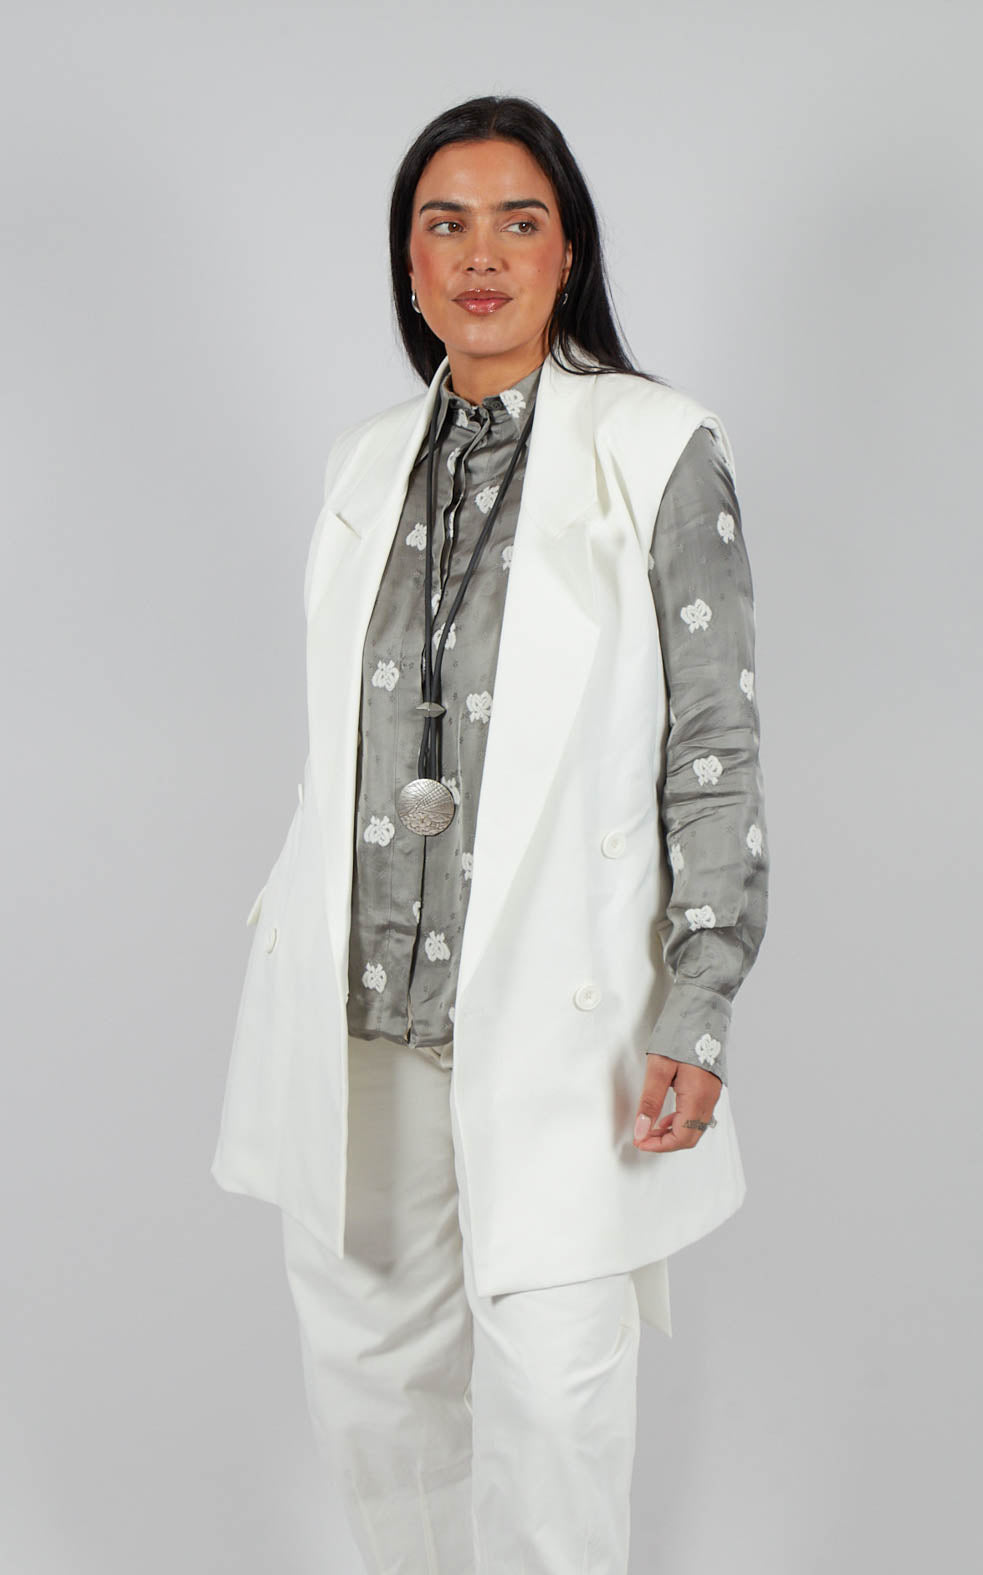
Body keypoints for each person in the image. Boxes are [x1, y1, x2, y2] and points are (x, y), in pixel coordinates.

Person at [211, 92, 770, 1573]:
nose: (480, 255)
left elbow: (714, 748)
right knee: (374, 1394)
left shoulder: (657, 449)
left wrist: (701, 998)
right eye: (443, 223)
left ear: (566, 252)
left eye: (517, 221)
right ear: (406, 263)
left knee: (556, 1404)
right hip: (362, 1018)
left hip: (564, 1017)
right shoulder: (360, 463)